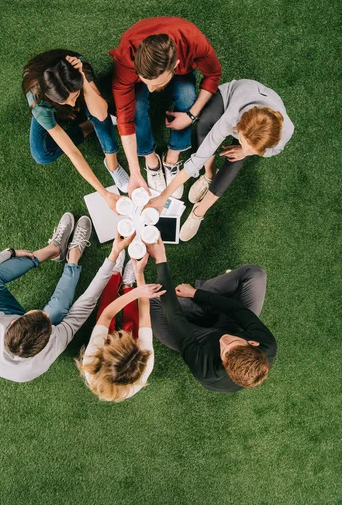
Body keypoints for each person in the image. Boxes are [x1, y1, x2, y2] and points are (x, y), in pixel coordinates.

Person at [0, 214, 132, 383]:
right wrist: (113, 256)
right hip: (28, 349)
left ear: (13, 322)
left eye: (41, 314)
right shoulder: (54, 344)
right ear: (46, 340)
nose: (46, 314)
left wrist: (10, 253)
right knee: (57, 309)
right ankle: (73, 257)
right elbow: (86, 303)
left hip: (3, 325)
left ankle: (54, 250)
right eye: (49, 322)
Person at [149, 79, 294, 241]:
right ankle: (209, 174)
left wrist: (245, 152)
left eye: (252, 148)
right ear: (238, 128)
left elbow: (273, 150)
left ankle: (199, 212)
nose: (246, 149)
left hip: (255, 123)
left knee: (236, 160)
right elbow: (198, 158)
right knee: (203, 127)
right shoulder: (231, 118)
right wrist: (163, 196)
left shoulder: (285, 133)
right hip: (228, 98)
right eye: (244, 143)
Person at [147, 238, 277, 393]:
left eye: (224, 351)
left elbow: (175, 318)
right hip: (231, 325)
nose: (223, 341)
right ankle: (201, 300)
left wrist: (160, 259)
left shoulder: (206, 371)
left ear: (224, 365)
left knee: (153, 300)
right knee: (255, 274)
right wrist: (196, 293)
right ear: (253, 343)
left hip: (199, 342)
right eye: (233, 342)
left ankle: (203, 308)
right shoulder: (267, 344)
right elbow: (236, 310)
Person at [110, 17, 222, 197]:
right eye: (146, 82)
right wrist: (135, 171)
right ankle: (151, 159)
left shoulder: (194, 41)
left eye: (156, 84)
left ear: (175, 66)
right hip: (139, 63)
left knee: (187, 96)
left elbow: (214, 74)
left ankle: (172, 157)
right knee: (137, 106)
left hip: (182, 62)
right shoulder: (127, 57)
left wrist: (191, 115)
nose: (151, 90)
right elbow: (124, 117)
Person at [23, 49, 129, 211]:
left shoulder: (78, 67)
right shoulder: (39, 101)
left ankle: (112, 165)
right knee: (41, 155)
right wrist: (105, 193)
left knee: (101, 116)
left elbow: (100, 113)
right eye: (66, 101)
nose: (73, 105)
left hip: (77, 83)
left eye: (74, 96)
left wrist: (83, 81)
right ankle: (87, 126)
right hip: (48, 104)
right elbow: (73, 152)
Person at [77, 250, 164, 402]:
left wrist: (139, 291)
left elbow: (107, 315)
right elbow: (144, 317)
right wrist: (139, 276)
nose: (120, 335)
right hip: (118, 359)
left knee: (103, 315)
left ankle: (115, 274)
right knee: (134, 326)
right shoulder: (146, 361)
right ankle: (128, 284)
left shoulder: (91, 358)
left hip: (101, 357)